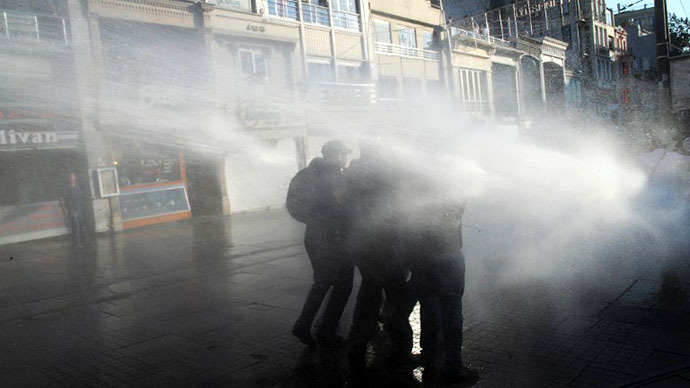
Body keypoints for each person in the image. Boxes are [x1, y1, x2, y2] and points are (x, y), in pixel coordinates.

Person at [346, 138, 413, 371]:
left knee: (369, 294)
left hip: (362, 245)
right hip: (388, 245)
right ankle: (400, 352)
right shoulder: (385, 174)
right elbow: (399, 208)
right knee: (396, 298)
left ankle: (356, 347)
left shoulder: (352, 172)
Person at [288, 140, 354, 348]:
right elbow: (346, 207)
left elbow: (293, 206)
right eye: (345, 153)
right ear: (339, 155)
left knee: (322, 282)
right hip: (335, 238)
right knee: (342, 285)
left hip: (314, 236)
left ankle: (308, 325)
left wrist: (315, 219)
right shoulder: (337, 177)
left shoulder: (304, 174)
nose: (346, 158)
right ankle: (322, 329)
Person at [60, 172, 86, 247]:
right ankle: (77, 243)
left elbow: (80, 197)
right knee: (75, 226)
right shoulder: (67, 187)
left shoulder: (78, 186)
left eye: (73, 176)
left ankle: (82, 241)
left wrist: (82, 206)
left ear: (75, 177)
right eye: (70, 177)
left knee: (81, 225)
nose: (72, 178)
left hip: (79, 208)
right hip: (72, 209)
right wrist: (64, 209)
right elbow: (62, 199)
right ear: (68, 179)